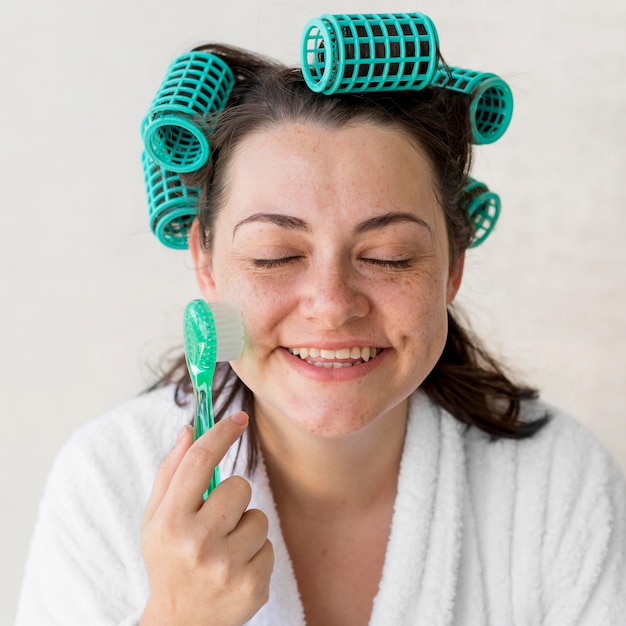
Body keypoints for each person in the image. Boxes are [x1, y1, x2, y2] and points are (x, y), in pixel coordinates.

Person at [16, 41, 626, 626]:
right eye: (276, 255)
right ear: (204, 260)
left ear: (453, 265)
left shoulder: (556, 484)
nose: (332, 306)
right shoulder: (106, 480)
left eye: (388, 256)